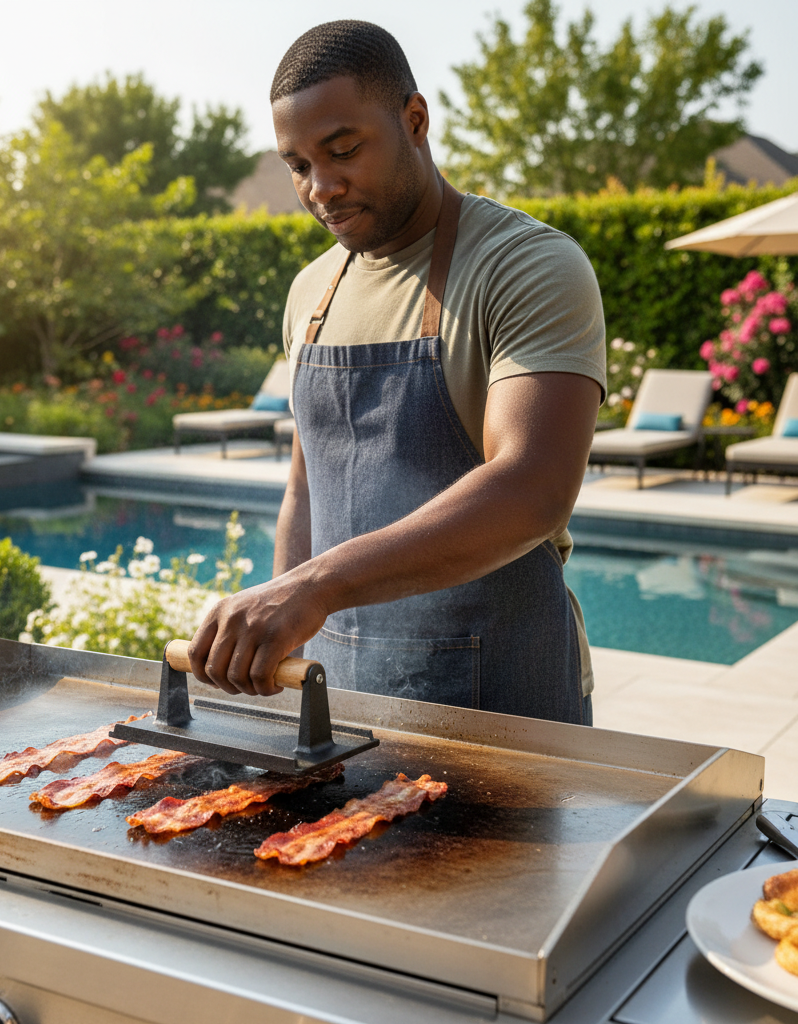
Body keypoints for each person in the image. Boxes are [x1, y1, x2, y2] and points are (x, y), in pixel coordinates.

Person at [186, 20, 605, 724]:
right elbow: (308, 484)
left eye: (343, 150)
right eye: (296, 164)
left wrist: (314, 586)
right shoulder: (310, 295)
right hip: (341, 699)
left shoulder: (525, 265)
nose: (320, 187)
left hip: (504, 707)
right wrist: (281, 616)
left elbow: (534, 488)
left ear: (414, 120)